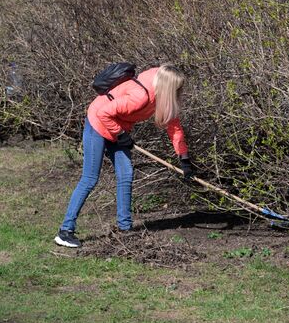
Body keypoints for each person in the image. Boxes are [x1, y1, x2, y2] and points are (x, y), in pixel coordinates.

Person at [54, 64, 193, 248]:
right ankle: (65, 231)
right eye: (176, 89)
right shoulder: (140, 97)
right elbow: (104, 113)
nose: (178, 93)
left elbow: (174, 128)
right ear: (168, 87)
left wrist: (184, 158)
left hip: (117, 129)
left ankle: (125, 230)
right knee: (90, 178)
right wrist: (120, 135)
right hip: (98, 123)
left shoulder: (163, 97)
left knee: (126, 174)